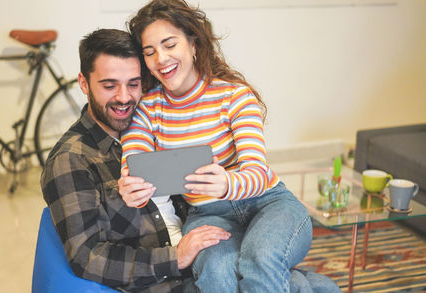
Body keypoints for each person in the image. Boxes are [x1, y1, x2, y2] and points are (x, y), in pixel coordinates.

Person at [118, 0, 341, 292]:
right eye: (150, 52)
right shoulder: (148, 108)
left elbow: (257, 173)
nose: (161, 58)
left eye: (170, 44)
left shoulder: (234, 96)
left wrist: (226, 183)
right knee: (217, 269)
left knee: (260, 258)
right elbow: (134, 159)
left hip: (269, 203)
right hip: (207, 215)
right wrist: (130, 185)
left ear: (193, 43)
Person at [40, 28, 231, 293]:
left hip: (209, 260)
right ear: (84, 83)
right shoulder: (71, 159)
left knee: (299, 282)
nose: (124, 97)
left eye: (133, 83)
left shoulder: (155, 126)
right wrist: (176, 257)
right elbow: (87, 257)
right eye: (109, 85)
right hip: (169, 281)